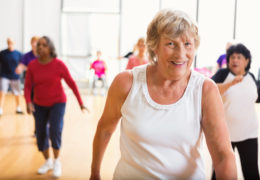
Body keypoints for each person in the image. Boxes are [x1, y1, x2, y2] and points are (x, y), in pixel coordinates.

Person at [90, 9, 237, 180]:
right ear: (154, 46)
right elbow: (105, 130)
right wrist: (95, 173)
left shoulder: (205, 89)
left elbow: (222, 155)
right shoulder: (126, 83)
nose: (181, 54)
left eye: (187, 44)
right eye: (171, 44)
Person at [24, 36, 88, 178]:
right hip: (39, 104)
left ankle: (57, 161)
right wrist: (28, 102)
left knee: (55, 130)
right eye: (38, 45)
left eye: (44, 45)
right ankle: (48, 161)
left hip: (57, 103)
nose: (40, 47)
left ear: (50, 48)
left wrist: (80, 102)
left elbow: (71, 83)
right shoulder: (33, 66)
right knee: (40, 134)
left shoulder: (58, 64)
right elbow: (28, 86)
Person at [211, 43, 260, 180]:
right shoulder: (223, 74)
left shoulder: (251, 76)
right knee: (220, 173)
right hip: (225, 135)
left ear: (247, 61)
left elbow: (255, 98)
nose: (235, 60)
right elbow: (210, 90)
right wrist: (230, 84)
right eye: (232, 57)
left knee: (251, 172)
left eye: (239, 57)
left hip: (249, 133)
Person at [16, 36, 39, 136]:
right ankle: (38, 129)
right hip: (30, 87)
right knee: (34, 110)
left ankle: (40, 130)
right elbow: (21, 65)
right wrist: (20, 68)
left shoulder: (43, 55)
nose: (34, 44)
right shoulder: (26, 56)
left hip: (41, 87)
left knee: (40, 110)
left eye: (36, 42)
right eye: (32, 42)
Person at [0, 37, 23, 115]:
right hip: (4, 75)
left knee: (17, 93)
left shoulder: (18, 54)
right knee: (2, 92)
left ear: (14, 43)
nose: (10, 44)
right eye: (8, 42)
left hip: (15, 76)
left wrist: (20, 69)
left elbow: (22, 64)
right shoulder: (2, 53)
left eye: (11, 42)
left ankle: (18, 107)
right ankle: (0, 108)